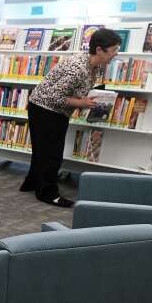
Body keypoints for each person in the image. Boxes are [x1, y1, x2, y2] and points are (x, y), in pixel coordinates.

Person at [21, 28, 122, 207]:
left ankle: (32, 183)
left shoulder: (94, 66)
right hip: (45, 109)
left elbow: (76, 92)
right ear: (99, 50)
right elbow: (53, 96)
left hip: (55, 110)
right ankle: (47, 193)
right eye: (113, 50)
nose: (116, 54)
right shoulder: (77, 68)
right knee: (51, 154)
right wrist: (82, 103)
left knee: (42, 152)